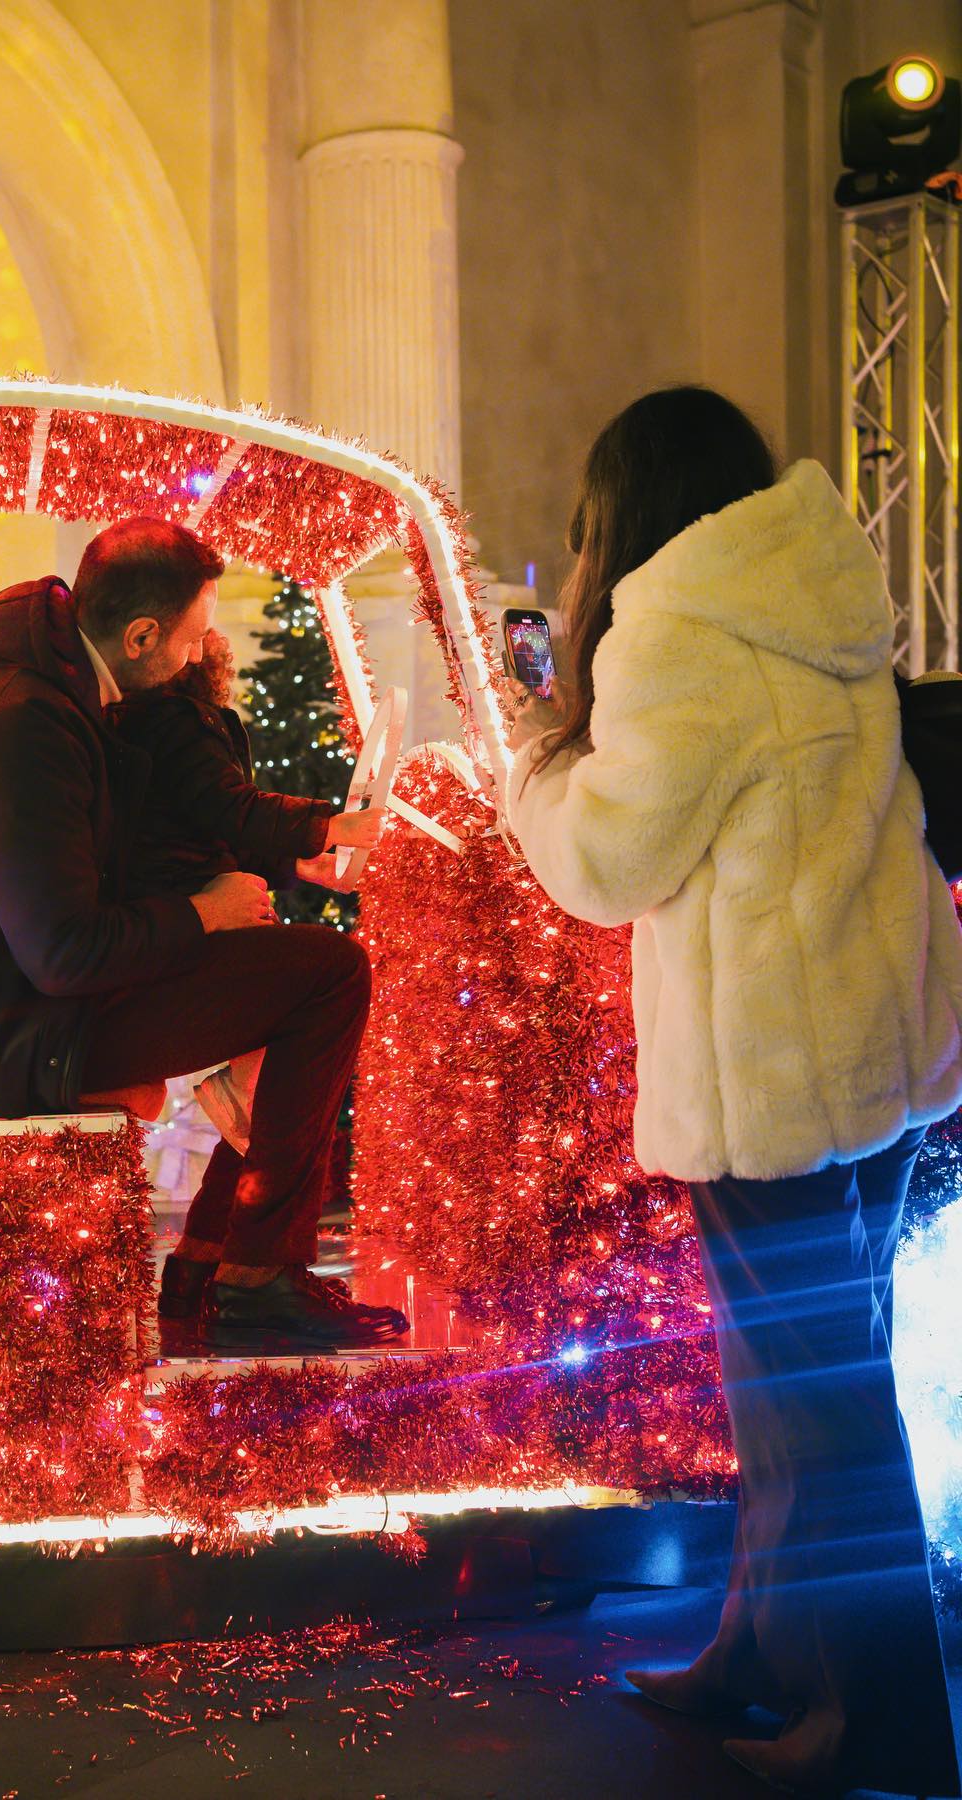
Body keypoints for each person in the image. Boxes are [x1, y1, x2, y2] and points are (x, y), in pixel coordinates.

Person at [503, 386, 962, 1798]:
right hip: (869, 1056)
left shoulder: (673, 634)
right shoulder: (813, 599)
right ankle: (758, 1654)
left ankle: (883, 1720)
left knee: (817, 1415)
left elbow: (607, 863)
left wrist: (535, 758)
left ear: (624, 508)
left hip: (771, 1078)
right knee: (804, 1394)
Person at [0, 515, 407, 1351]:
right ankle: (256, 1278)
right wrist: (206, 914)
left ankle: (220, 1264)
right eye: (189, 638)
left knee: (296, 970)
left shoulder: (36, 696)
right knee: (329, 974)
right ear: (142, 634)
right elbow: (63, 951)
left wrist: (271, 874)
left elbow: (99, 874)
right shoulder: (22, 721)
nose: (194, 657)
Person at [106, 626, 371, 1162]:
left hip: (167, 897)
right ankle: (250, 1098)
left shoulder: (141, 724)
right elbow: (231, 810)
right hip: (185, 898)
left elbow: (210, 823)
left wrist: (297, 862)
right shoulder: (181, 723)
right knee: (296, 968)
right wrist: (328, 827)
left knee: (277, 961)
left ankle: (247, 1099)